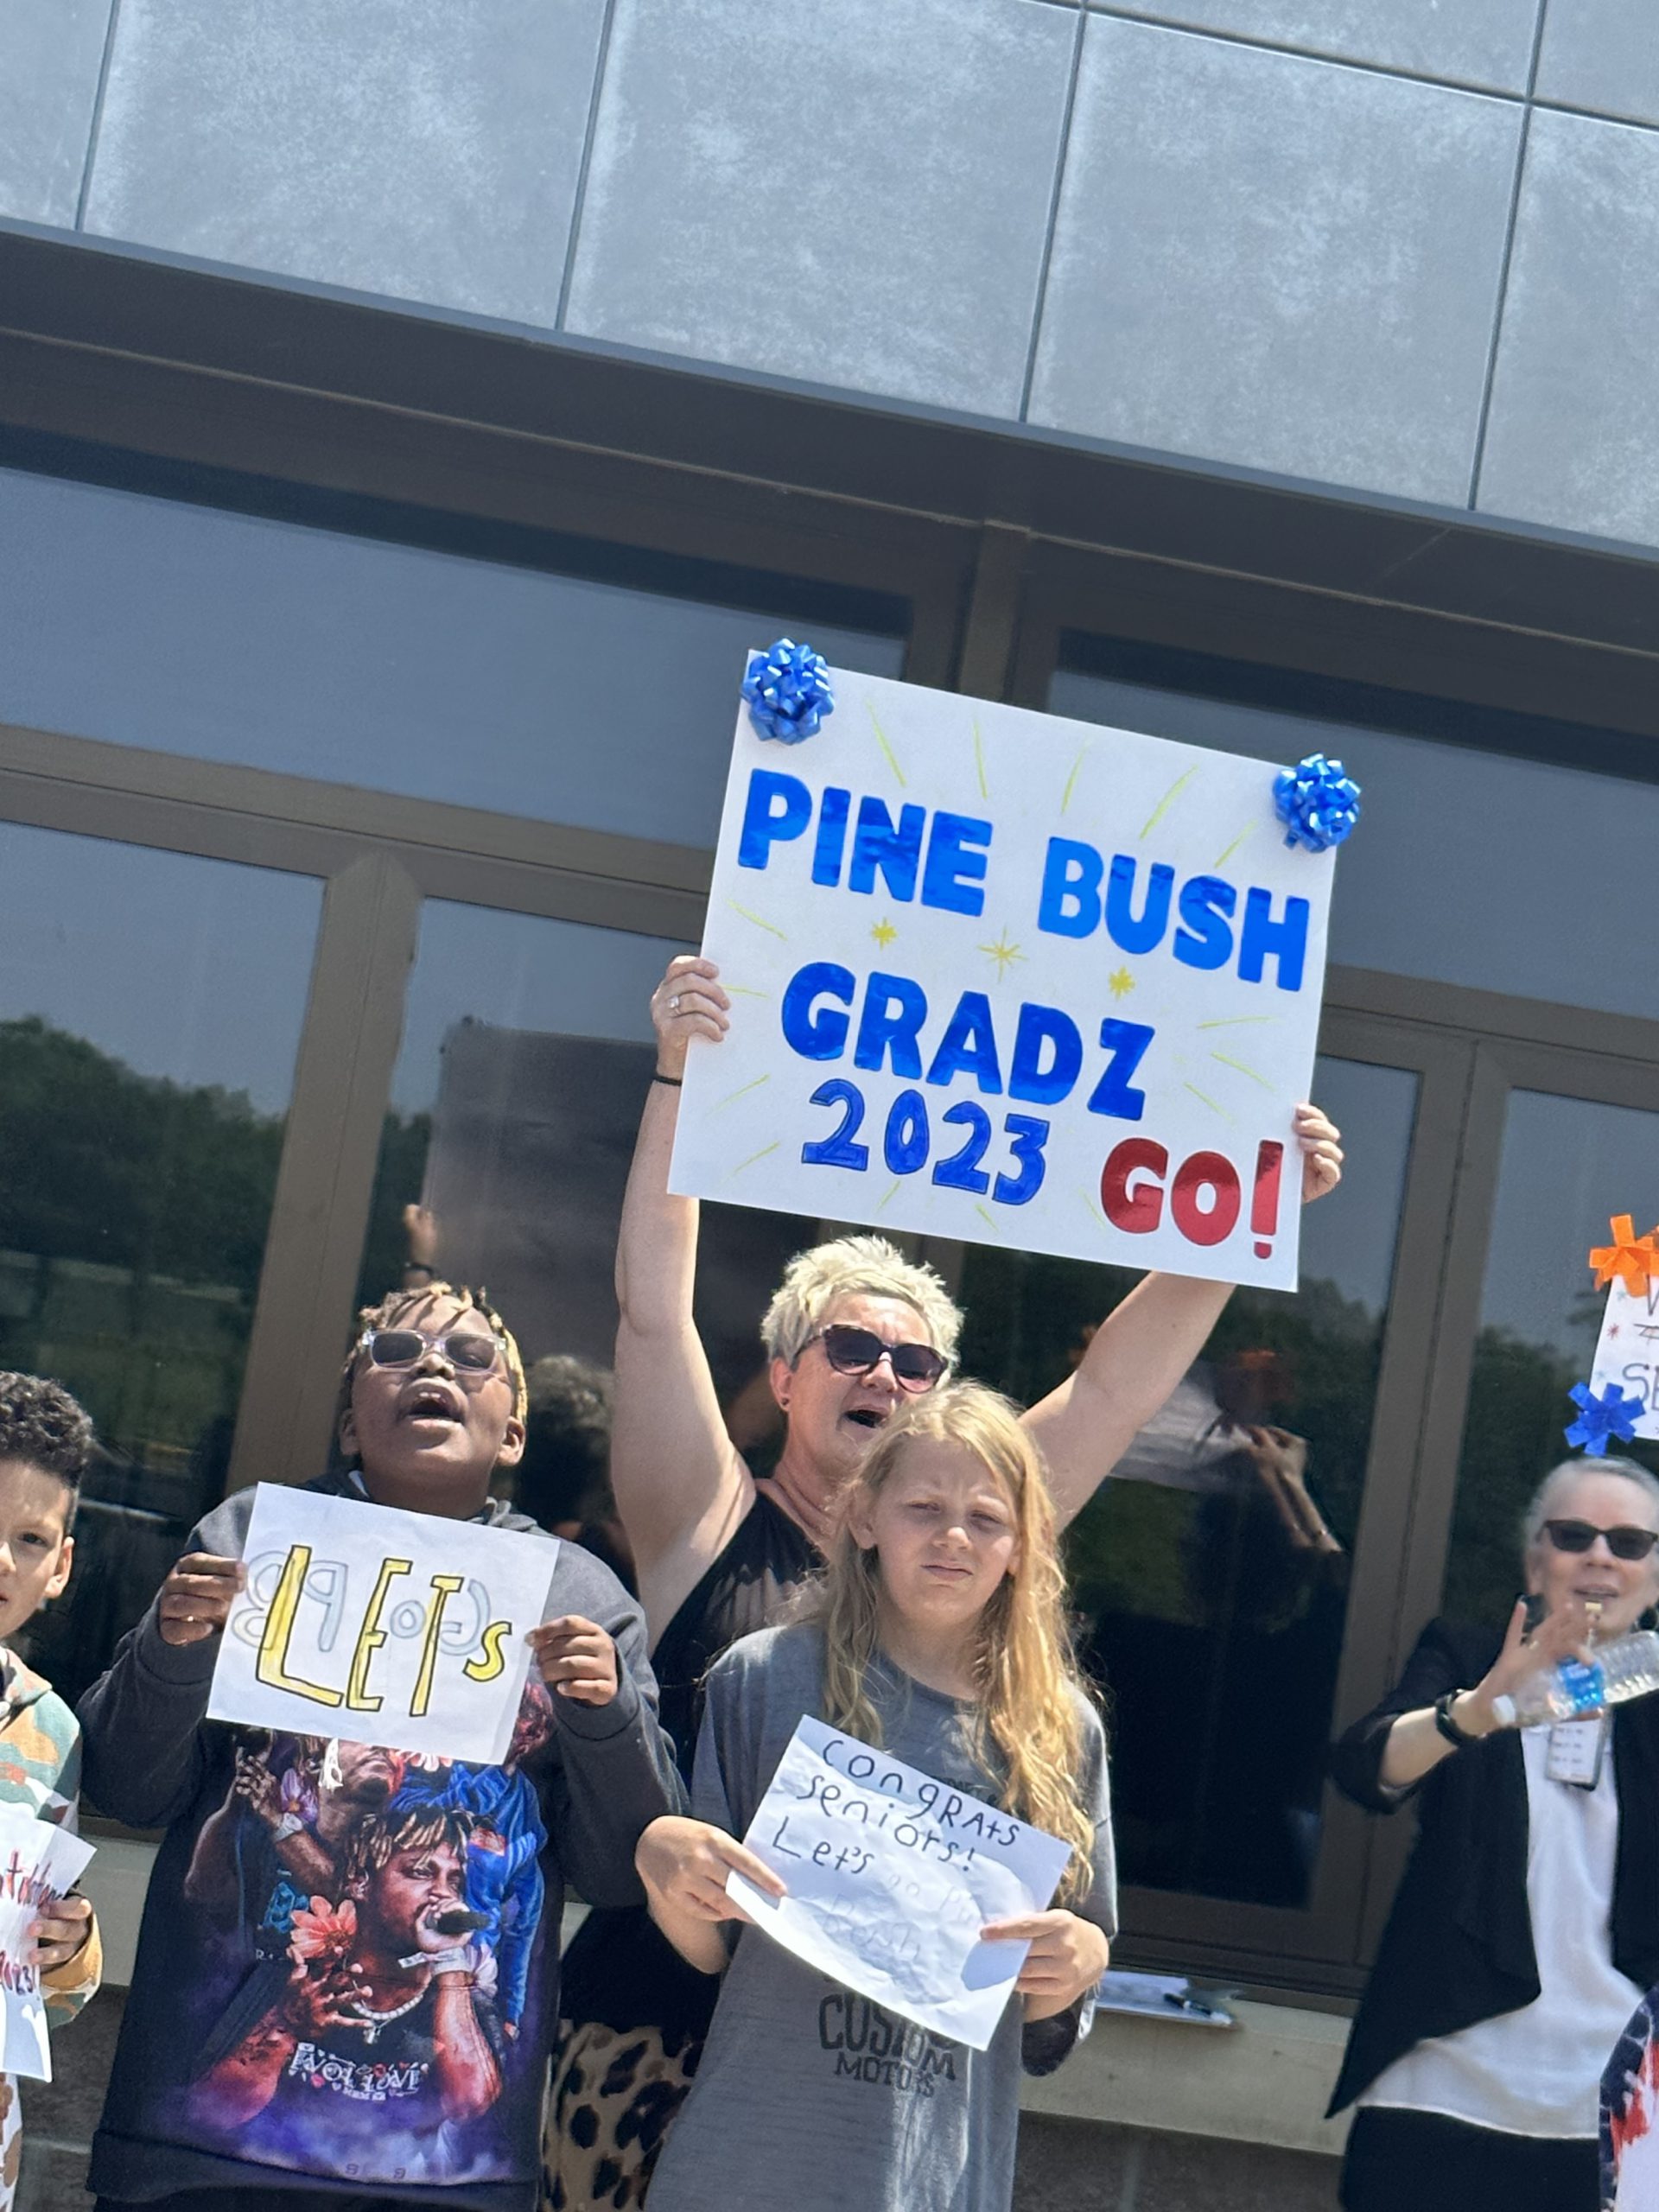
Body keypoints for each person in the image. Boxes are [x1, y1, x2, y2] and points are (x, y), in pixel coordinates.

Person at [546, 954, 1343, 2208]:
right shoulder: (704, 1517)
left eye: (916, 1361)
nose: (886, 1373)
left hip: (867, 2104)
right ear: (787, 1374)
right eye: (851, 1346)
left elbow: (1122, 1384)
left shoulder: (962, 1525)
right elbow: (653, 1307)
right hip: (646, 2053)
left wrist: (1249, 1203)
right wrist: (679, 1073)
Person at [79, 1281, 683, 2212]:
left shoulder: (580, 1597)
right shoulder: (250, 1541)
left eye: (471, 1356)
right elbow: (128, 1783)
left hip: (449, 2171)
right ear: (350, 1423)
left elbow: (621, 1871)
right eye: (394, 1351)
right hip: (197, 2151)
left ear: (513, 1432)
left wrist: (604, 1716)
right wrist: (172, 1649)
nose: (433, 1364)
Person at [634, 1380, 1114, 2212]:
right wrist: (661, 1862)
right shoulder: (766, 1678)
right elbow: (708, 1949)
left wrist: (1083, 1961)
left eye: (988, 1518)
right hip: (745, 2169)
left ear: (1024, 1548)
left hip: (931, 2179)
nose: (954, 1536)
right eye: (923, 1506)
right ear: (865, 1519)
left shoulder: (1061, 1732)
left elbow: (1050, 2008)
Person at [1327, 1454, 1659, 2211]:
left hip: (1621, 2102)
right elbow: (1365, 1767)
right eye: (1574, 1535)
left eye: (1630, 1543)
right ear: (1534, 1562)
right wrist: (1478, 1711)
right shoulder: (1473, 1660)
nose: (1601, 1556)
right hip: (1444, 2083)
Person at [0, 1373, 103, 2212]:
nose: (4, 1559)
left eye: (31, 1538)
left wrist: (68, 1945)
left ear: (60, 1566)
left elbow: (53, 1995)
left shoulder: (54, 1731)